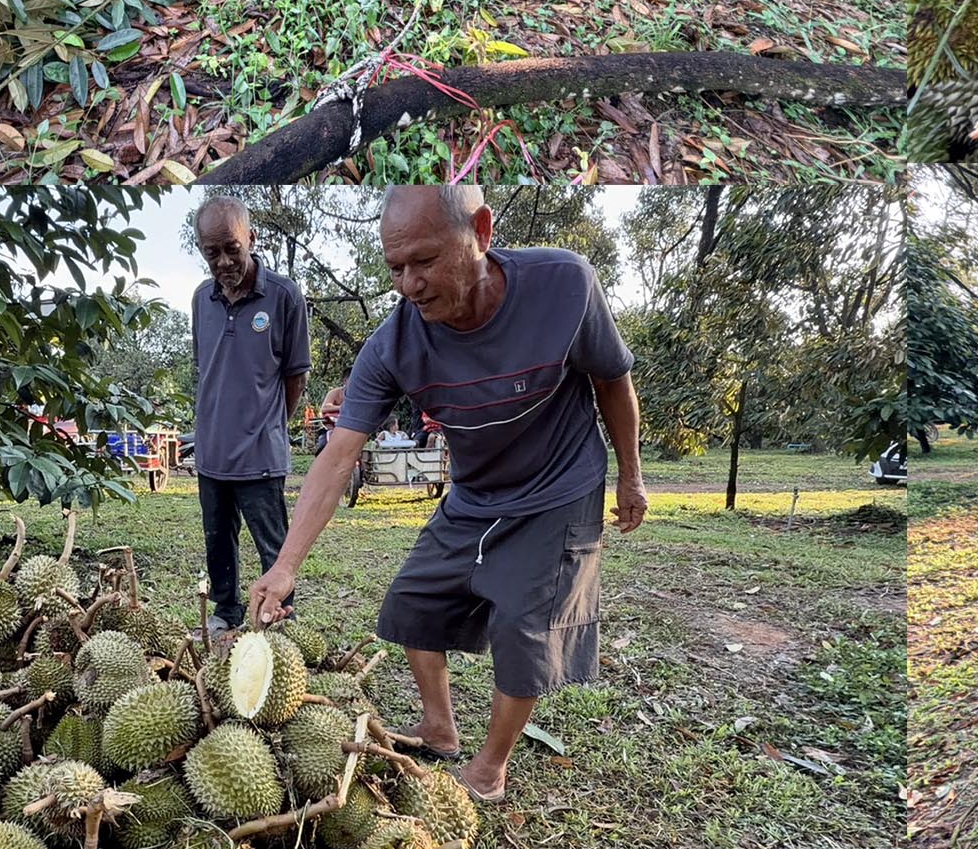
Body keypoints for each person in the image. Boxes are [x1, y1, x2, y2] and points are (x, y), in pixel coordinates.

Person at [246, 186, 648, 803]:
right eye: (395, 269)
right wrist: (285, 565)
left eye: (426, 261)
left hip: (558, 489)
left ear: (480, 231)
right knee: (414, 603)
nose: (410, 284)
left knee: (524, 628)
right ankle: (439, 727)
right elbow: (338, 457)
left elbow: (612, 380)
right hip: (474, 493)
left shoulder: (564, 283)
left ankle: (490, 766)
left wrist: (631, 474)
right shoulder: (394, 345)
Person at [190, 196, 311, 632]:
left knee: (273, 548)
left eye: (232, 249)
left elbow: (296, 375)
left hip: (260, 455)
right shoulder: (201, 299)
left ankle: (277, 621)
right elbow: (208, 368)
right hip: (211, 452)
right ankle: (226, 613)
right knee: (218, 543)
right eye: (212, 252)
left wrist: (272, 422)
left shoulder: (283, 296)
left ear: (251, 239)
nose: (223, 261)